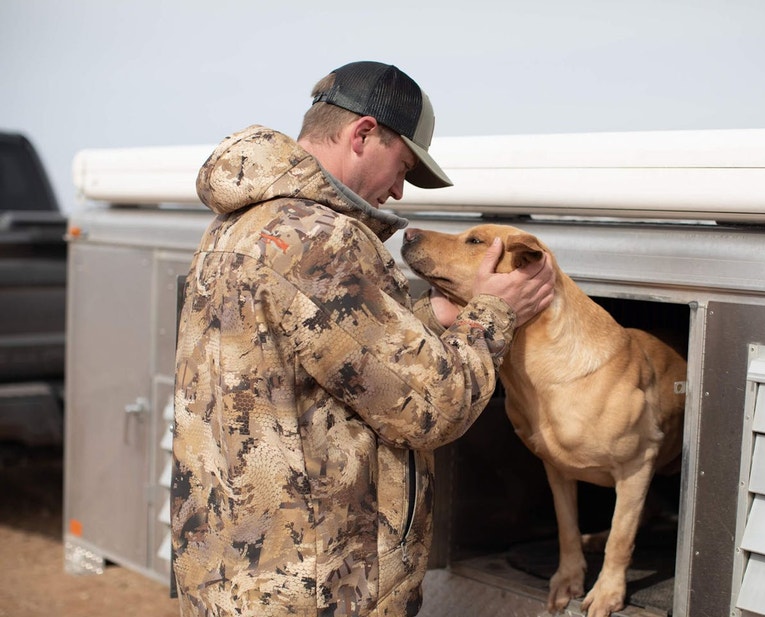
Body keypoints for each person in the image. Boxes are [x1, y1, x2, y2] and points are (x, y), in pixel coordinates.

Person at [171, 60, 555, 617]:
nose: (398, 190)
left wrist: (436, 312)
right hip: (316, 589)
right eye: (402, 166)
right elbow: (431, 407)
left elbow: (323, 353)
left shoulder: (242, 224)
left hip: (235, 575)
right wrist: (495, 315)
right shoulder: (321, 240)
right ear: (363, 134)